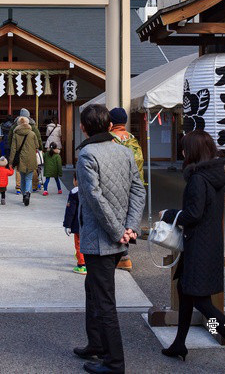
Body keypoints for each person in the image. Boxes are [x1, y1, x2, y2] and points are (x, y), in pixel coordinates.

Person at [160, 130, 225, 373]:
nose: (182, 152)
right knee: (184, 290)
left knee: (203, 304)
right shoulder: (213, 174)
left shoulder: (197, 178)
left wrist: (169, 214)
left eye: (184, 148)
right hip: (207, 244)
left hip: (198, 247)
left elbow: (193, 214)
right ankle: (179, 344)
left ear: (192, 151)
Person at [72, 104, 145, 374]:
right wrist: (130, 228)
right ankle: (95, 344)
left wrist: (118, 231)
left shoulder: (87, 155)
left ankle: (114, 363)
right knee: (93, 290)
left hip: (100, 239)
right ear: (108, 125)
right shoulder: (125, 152)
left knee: (104, 301)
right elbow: (139, 190)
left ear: (83, 127)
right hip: (118, 237)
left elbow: (94, 199)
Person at [108, 107, 144, 272]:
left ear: (110, 122)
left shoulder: (111, 140)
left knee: (115, 219)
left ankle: (122, 256)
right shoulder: (133, 140)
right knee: (128, 219)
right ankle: (124, 256)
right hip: (135, 186)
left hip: (117, 186)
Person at [8, 116, 41, 206]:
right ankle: (27, 193)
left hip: (20, 159)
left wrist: (10, 162)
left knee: (22, 178)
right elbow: (37, 145)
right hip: (31, 158)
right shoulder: (32, 133)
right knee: (29, 178)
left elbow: (13, 149)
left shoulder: (16, 134)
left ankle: (24, 195)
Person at [63, 172, 86, 275]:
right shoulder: (91, 191)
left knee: (79, 244)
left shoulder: (74, 193)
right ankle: (88, 262)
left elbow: (70, 210)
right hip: (90, 224)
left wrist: (67, 225)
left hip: (78, 224)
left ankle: (81, 265)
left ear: (76, 181)